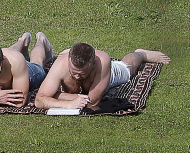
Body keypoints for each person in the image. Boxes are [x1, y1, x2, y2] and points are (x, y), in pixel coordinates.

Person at [35, 42, 170, 110]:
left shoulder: (102, 61)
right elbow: (39, 100)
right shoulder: (61, 64)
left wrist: (55, 96)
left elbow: (92, 102)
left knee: (128, 68)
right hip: (71, 69)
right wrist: (69, 105)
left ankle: (141, 54)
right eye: (73, 72)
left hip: (109, 75)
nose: (76, 77)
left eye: (81, 73)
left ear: (92, 64)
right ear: (69, 61)